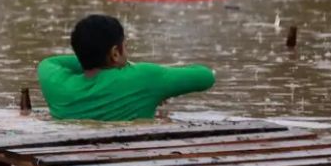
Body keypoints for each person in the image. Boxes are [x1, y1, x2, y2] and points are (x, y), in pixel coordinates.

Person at [37, 14, 215, 121]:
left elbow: (50, 62)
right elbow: (206, 76)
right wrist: (132, 68)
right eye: (125, 46)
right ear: (115, 53)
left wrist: (88, 59)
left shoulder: (56, 84)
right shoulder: (144, 77)